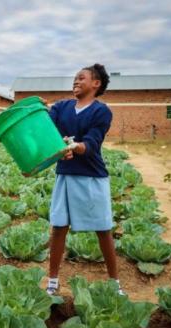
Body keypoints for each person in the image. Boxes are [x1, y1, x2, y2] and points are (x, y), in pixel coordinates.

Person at [43, 63, 124, 296]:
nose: (76, 82)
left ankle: (114, 283)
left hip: (91, 177)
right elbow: (46, 128)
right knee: (58, 227)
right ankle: (53, 280)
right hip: (66, 175)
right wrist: (39, 112)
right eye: (75, 79)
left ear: (95, 84)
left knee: (103, 229)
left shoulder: (101, 112)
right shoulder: (61, 107)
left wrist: (75, 146)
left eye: (81, 78)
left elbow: (92, 142)